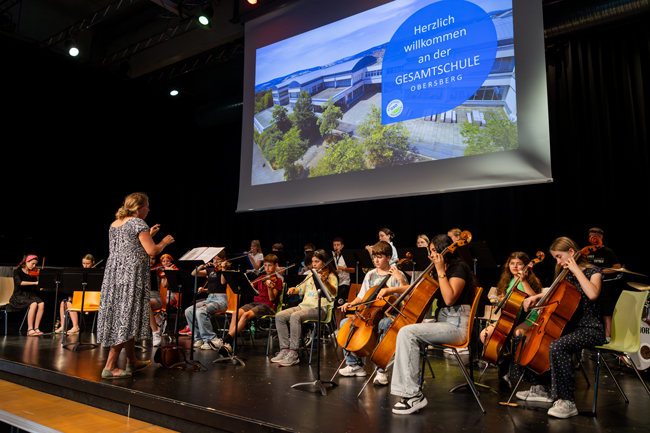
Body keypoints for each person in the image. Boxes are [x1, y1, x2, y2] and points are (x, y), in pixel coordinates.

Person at [512, 237, 605, 419]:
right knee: (528, 338)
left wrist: (576, 269)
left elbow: (593, 293)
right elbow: (552, 292)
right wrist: (536, 297)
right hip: (570, 327)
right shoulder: (566, 275)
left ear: (571, 253)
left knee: (557, 346)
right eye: (555, 258)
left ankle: (568, 401)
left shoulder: (594, 271)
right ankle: (543, 389)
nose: (558, 261)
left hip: (590, 328)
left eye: (559, 256)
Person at [390, 234, 478, 414]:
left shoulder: (458, 268)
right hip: (443, 322)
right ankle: (410, 392)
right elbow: (417, 290)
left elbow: (449, 298)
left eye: (432, 252)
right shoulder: (438, 270)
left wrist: (440, 270)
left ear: (443, 251)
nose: (430, 256)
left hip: (456, 325)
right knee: (406, 331)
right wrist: (391, 289)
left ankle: (413, 396)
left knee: (408, 333)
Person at [97, 192, 174, 379]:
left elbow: (128, 246)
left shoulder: (115, 224)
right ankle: (110, 366)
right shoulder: (139, 223)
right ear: (139, 208)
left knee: (126, 315)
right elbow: (152, 250)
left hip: (114, 276)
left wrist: (150, 234)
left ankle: (132, 361)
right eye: (147, 205)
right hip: (130, 276)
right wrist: (163, 241)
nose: (149, 209)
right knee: (125, 317)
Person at [338, 241, 408, 385]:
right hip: (370, 313)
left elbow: (407, 296)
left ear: (388, 258)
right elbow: (363, 297)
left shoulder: (397, 274)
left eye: (380, 257)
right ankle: (355, 364)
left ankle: (382, 371)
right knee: (345, 322)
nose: (376, 260)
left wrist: (400, 279)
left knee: (384, 323)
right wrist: (351, 303)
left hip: (390, 313)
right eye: (374, 257)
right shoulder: (370, 274)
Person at [271, 249, 338, 367]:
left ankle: (294, 353)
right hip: (304, 306)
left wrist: (325, 282)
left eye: (317, 261)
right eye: (313, 262)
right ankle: (285, 349)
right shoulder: (311, 274)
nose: (314, 264)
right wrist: (294, 289)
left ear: (324, 262)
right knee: (280, 316)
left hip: (320, 309)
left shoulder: (331, 275)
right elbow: (301, 288)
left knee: (295, 316)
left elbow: (334, 292)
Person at [220, 254, 283, 356]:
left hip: (268, 306)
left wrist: (269, 287)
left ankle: (226, 340)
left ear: (276, 266)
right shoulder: (261, 277)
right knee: (236, 313)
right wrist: (247, 283)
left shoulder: (278, 280)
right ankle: (229, 344)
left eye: (270, 265)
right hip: (255, 303)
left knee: (245, 315)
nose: (267, 268)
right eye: (265, 265)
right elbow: (249, 287)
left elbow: (272, 298)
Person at [479, 252, 543, 344]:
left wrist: (524, 281)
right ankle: (501, 357)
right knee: (485, 335)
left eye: (519, 264)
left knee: (518, 332)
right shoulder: (507, 281)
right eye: (512, 263)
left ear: (526, 265)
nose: (515, 266)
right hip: (510, 318)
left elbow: (534, 299)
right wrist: (495, 301)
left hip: (528, 317)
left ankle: (520, 358)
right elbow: (504, 301)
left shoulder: (533, 280)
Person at [185, 250, 230, 351]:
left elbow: (223, 282)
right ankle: (198, 338)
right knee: (188, 311)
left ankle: (210, 340)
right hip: (209, 299)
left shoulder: (225, 270)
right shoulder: (210, 270)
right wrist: (202, 266)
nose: (215, 261)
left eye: (218, 259)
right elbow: (194, 273)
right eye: (214, 259)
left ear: (223, 259)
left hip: (220, 300)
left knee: (201, 311)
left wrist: (223, 268)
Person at [585, 227, 621, 340]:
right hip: (589, 286)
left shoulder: (607, 251)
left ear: (601, 237)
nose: (593, 240)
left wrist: (599, 272)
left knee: (606, 313)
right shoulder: (586, 251)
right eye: (591, 237)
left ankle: (608, 339)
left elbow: (617, 267)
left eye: (596, 237)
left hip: (605, 285)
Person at [55, 254, 96, 334]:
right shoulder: (80, 273)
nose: (85, 266)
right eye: (83, 263)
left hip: (90, 297)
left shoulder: (95, 274)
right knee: (63, 303)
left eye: (88, 264)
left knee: (70, 304)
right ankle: (63, 326)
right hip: (79, 296)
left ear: (93, 263)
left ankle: (76, 327)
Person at [7, 255, 45, 336]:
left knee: (41, 304)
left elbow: (35, 289)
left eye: (35, 264)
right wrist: (35, 283)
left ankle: (37, 328)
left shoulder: (33, 273)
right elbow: (19, 283)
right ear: (26, 262)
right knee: (34, 304)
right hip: (19, 295)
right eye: (32, 264)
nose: (34, 266)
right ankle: (30, 329)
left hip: (30, 295)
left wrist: (40, 287)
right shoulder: (17, 271)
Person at [333, 237, 355, 327]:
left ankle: (340, 327)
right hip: (335, 283)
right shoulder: (332, 257)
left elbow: (353, 270)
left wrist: (342, 268)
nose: (336, 247)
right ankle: (337, 327)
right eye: (334, 245)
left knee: (340, 304)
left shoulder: (346, 256)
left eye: (338, 245)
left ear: (342, 246)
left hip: (344, 283)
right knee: (335, 305)